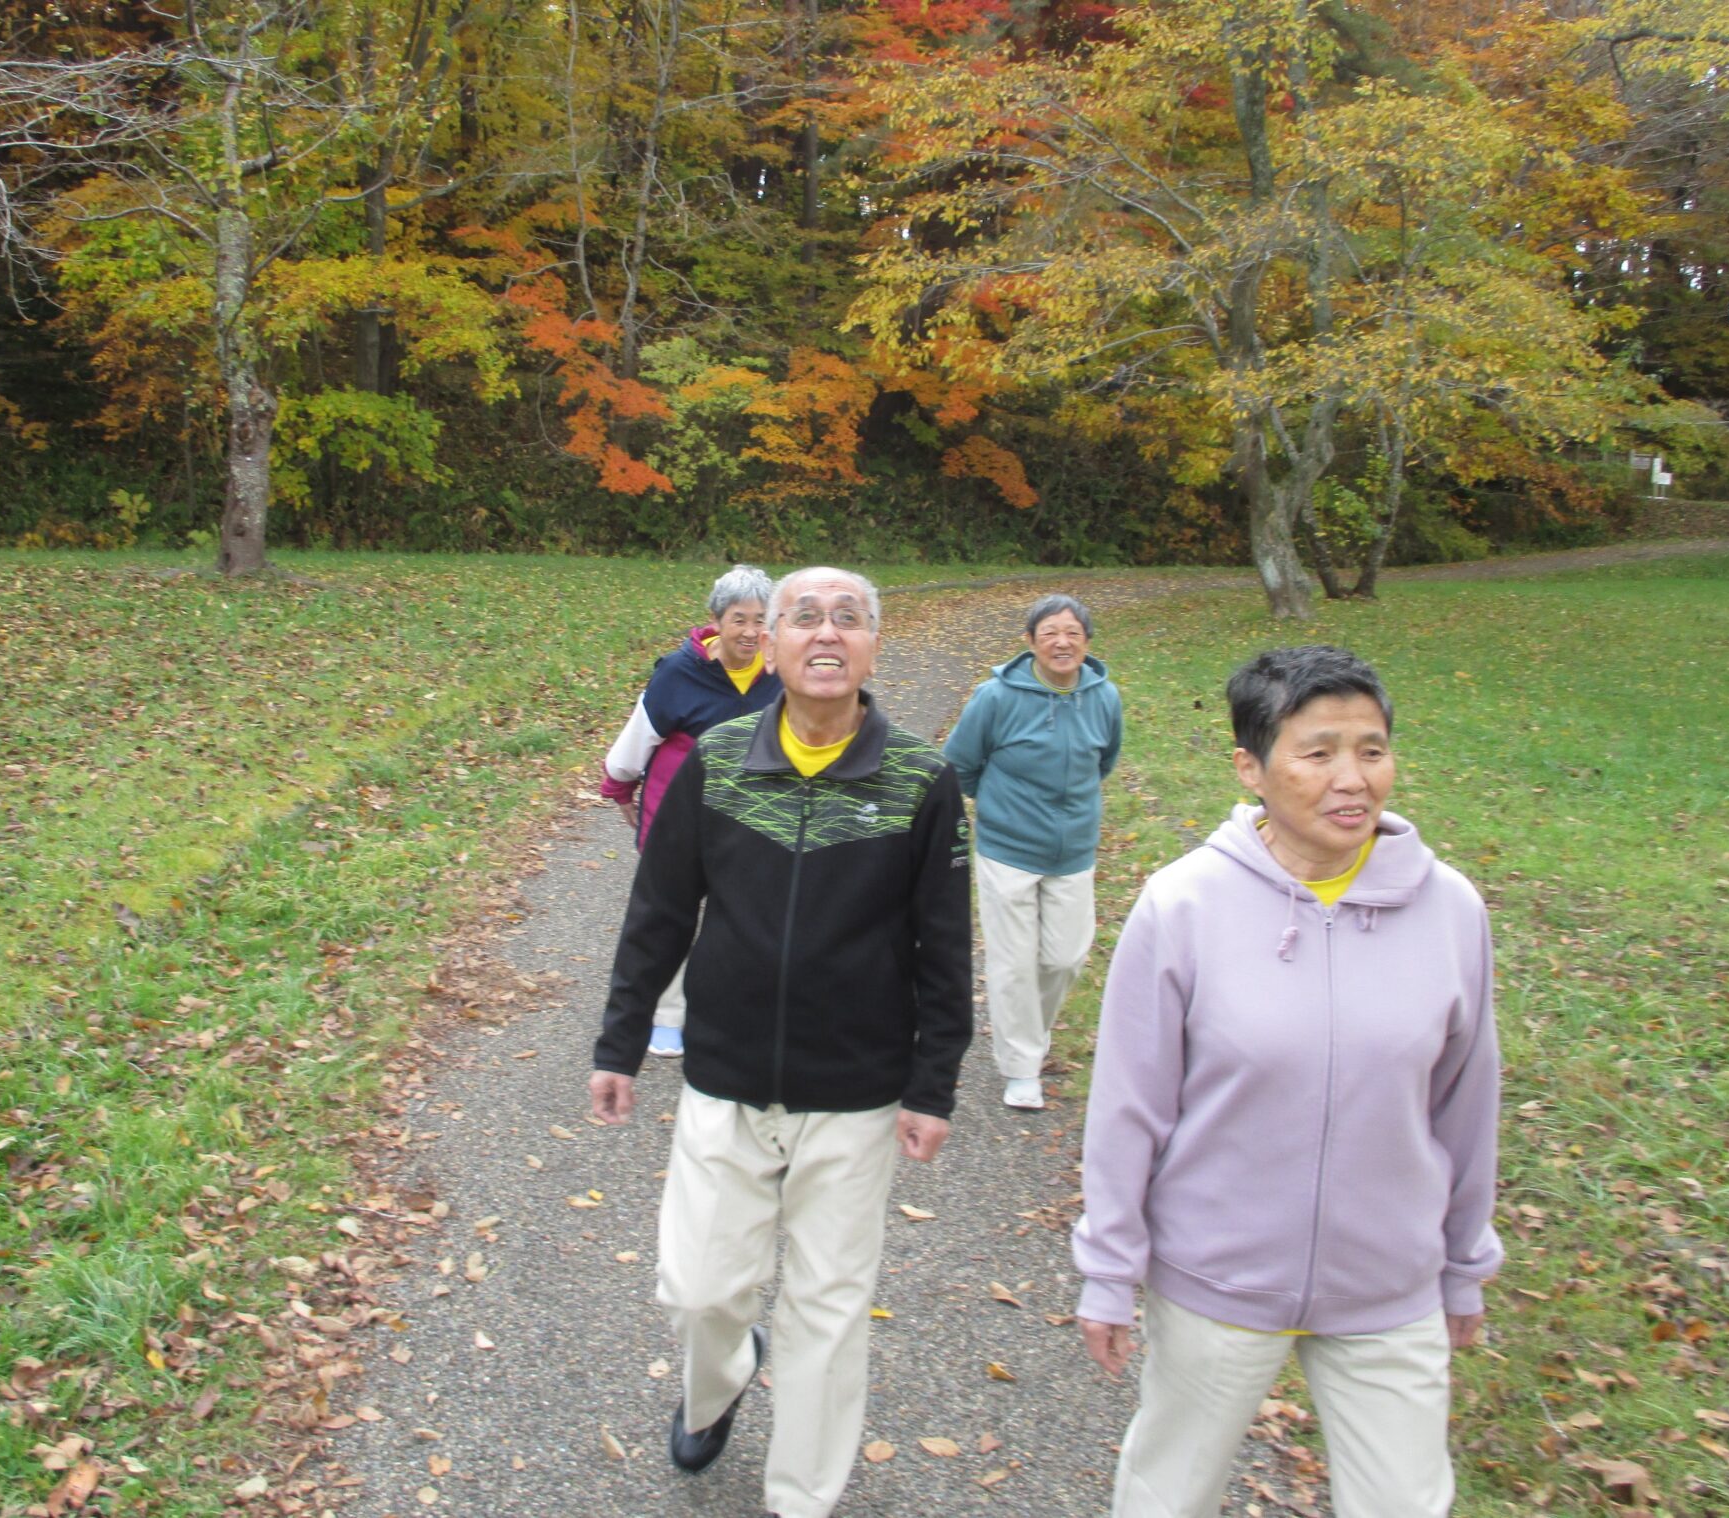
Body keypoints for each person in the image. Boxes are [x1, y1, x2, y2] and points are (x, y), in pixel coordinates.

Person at [1072, 644, 1500, 1518]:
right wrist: (1110, 1268)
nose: (1353, 779)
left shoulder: (1451, 909)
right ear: (1251, 767)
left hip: (1389, 1284)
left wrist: (1463, 1264)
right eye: (1318, 752)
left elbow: (1466, 1103)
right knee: (1166, 1495)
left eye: (1372, 750)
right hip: (1217, 1277)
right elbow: (1128, 1108)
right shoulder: (1184, 905)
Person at [590, 566, 973, 1518]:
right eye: (806, 617)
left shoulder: (923, 780)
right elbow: (661, 911)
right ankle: (716, 1381)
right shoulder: (720, 762)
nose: (827, 633)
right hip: (724, 1078)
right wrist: (620, 1042)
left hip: (856, 1095)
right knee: (700, 1288)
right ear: (770, 642)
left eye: (851, 618)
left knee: (829, 1310)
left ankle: (802, 1496)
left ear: (875, 644)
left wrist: (933, 1084)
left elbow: (946, 945)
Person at [943, 594, 1122, 1109]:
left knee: (1065, 958)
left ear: (1087, 643)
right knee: (1014, 964)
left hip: (1073, 851)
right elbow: (959, 765)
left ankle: (1028, 1035)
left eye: (1072, 633)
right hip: (1007, 849)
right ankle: (1022, 1067)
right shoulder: (996, 697)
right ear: (1030, 642)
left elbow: (1104, 760)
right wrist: (1003, 809)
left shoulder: (1104, 697)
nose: (1061, 642)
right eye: (1049, 633)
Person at [600, 564, 780, 1057]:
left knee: (745, 913)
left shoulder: (782, 673)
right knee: (671, 914)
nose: (749, 631)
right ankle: (666, 1016)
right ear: (716, 619)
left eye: (761, 620)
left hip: (753, 817)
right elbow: (640, 735)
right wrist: (619, 786)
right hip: (677, 815)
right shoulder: (679, 673)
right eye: (738, 618)